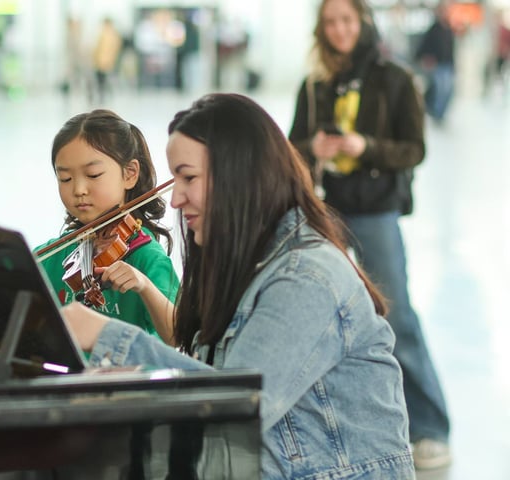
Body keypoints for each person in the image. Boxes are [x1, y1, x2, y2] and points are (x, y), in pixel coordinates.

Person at [62, 93, 414, 479]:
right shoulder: (243, 263)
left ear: (239, 177)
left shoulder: (306, 277)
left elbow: (233, 405)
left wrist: (109, 337)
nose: (176, 198)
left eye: (189, 178)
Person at [288, 0, 450, 470]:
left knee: (396, 314)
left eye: (347, 20)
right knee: (321, 312)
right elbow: (290, 147)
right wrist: (311, 146)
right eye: (330, 23)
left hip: (377, 210)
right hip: (328, 208)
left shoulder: (394, 79)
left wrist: (367, 146)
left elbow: (414, 149)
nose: (339, 30)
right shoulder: (316, 83)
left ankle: (430, 426)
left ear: (363, 23)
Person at [35, 109, 178, 345]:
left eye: (93, 175)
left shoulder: (147, 258)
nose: (78, 189)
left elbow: (177, 337)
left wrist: (144, 286)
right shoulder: (61, 252)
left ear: (130, 174)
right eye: (65, 179)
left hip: (125, 378)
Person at [414, 2, 456, 123]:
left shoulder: (449, 29)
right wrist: (422, 58)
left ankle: (440, 113)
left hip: (448, 64)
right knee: (440, 91)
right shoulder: (435, 28)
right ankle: (437, 115)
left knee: (448, 91)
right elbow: (425, 45)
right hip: (438, 65)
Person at [91, 17, 123, 104]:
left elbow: (112, 49)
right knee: (103, 79)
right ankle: (104, 95)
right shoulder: (112, 34)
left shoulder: (108, 34)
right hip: (103, 61)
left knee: (103, 80)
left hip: (103, 61)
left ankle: (104, 95)